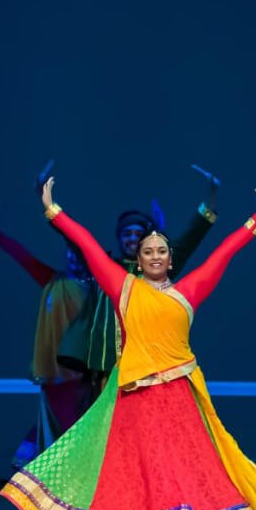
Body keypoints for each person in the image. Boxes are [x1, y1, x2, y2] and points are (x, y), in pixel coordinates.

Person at [1, 177, 256, 510]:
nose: (154, 256)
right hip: (134, 399)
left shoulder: (188, 292)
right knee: (136, 474)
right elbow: (88, 247)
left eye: (161, 251)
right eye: (147, 250)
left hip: (178, 399)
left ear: (171, 259)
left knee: (175, 474)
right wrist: (53, 210)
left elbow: (223, 255)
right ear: (138, 258)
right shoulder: (124, 288)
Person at [49, 163, 221, 393]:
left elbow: (190, 239)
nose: (131, 238)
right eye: (126, 234)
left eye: (137, 234)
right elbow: (77, 240)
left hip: (147, 368)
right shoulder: (105, 267)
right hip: (107, 368)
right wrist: (49, 206)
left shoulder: (157, 269)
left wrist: (211, 199)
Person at [0, 197, 94, 468]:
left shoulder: (96, 288)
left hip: (83, 373)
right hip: (54, 373)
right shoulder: (53, 280)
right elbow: (23, 257)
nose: (71, 259)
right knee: (56, 422)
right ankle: (39, 462)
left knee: (74, 427)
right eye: (68, 253)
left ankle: (50, 468)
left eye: (77, 254)